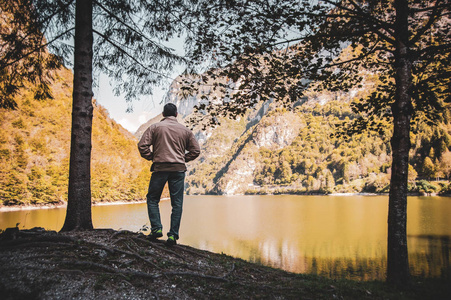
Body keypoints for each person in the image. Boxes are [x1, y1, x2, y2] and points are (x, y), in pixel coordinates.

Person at [138, 103, 200, 246]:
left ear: (163, 114)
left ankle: (156, 229)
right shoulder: (185, 131)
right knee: (177, 204)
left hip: (160, 168)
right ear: (177, 114)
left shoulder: (154, 128)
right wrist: (183, 159)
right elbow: (196, 151)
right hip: (178, 170)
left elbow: (142, 146)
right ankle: (172, 236)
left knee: (153, 199)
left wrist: (152, 156)